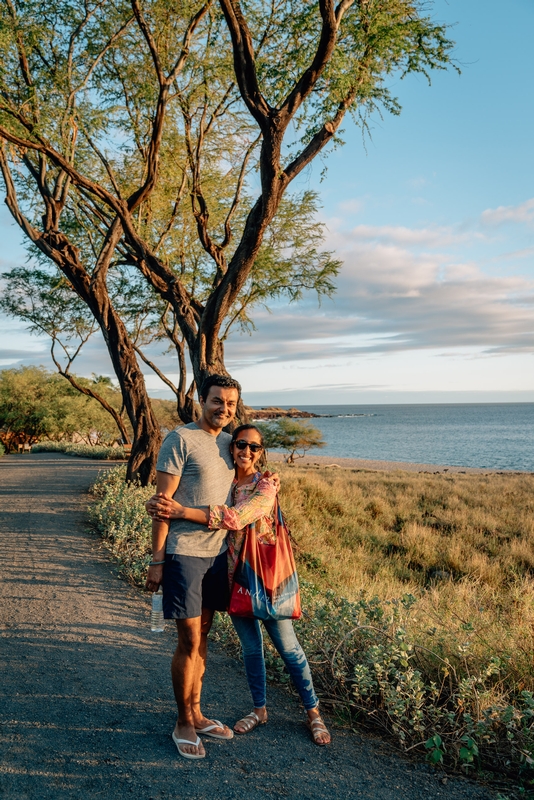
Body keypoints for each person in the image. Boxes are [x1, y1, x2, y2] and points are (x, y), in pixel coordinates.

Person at [148, 424, 331, 746]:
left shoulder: (265, 485)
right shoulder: (227, 481)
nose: (246, 451)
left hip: (268, 581)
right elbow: (191, 488)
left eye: (254, 447)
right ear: (231, 448)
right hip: (233, 577)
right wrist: (162, 507)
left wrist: (181, 511)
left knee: (289, 648)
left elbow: (236, 518)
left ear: (262, 453)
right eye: (240, 445)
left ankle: (313, 712)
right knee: (250, 649)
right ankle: (259, 710)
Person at [144, 374, 241, 761]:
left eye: (231, 404)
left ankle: (197, 713)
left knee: (203, 635)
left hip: (218, 553)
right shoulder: (179, 440)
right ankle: (182, 721)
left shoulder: (228, 443)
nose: (224, 409)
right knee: (187, 641)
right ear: (202, 400)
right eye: (218, 401)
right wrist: (156, 560)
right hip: (184, 553)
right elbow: (161, 504)